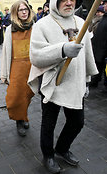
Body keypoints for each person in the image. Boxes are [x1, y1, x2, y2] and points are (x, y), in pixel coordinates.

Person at [28, 0, 98, 173]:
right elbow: (36, 56)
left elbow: (87, 54)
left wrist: (87, 80)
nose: (69, 2)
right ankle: (48, 156)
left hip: (76, 84)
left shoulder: (81, 23)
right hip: (53, 83)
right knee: (48, 124)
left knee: (77, 122)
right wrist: (62, 49)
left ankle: (62, 148)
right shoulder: (41, 25)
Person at [1, 0, 35, 137]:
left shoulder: (35, 27)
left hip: (32, 67)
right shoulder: (10, 29)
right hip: (16, 67)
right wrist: (4, 73)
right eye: (21, 10)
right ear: (16, 12)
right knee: (15, 96)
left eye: (25, 9)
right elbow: (5, 52)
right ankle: (18, 120)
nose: (24, 12)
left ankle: (23, 117)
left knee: (27, 96)